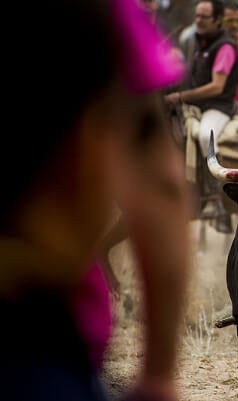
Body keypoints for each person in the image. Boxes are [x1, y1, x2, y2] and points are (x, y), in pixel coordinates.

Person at [1, 1, 192, 401]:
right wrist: (158, 373)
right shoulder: (105, 11)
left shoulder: (222, 44)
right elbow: (159, 180)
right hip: (35, 338)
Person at [165, 0, 238, 233]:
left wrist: (181, 96)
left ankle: (215, 201)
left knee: (205, 136)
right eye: (197, 16)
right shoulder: (198, 42)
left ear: (218, 20)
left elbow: (217, 87)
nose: (198, 20)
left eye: (204, 17)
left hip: (218, 107)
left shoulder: (225, 46)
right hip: (197, 106)